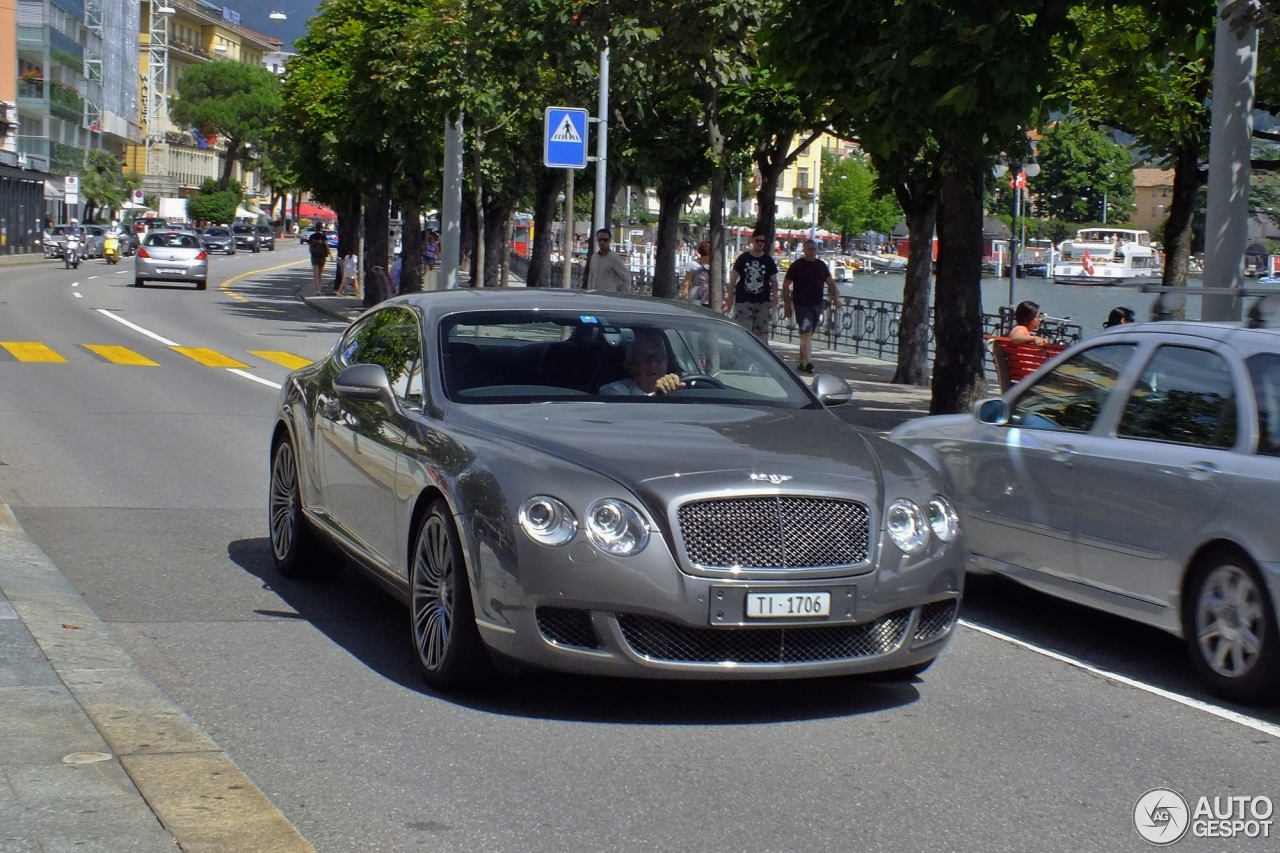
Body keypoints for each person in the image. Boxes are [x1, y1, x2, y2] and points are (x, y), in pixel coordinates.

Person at [783, 239, 843, 373]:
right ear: (804, 250)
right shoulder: (797, 265)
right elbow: (786, 284)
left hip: (817, 304)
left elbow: (831, 283)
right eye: (809, 249)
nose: (811, 252)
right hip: (801, 304)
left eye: (814, 249)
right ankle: (808, 362)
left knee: (808, 334)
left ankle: (801, 361)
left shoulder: (821, 266)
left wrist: (836, 298)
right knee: (806, 332)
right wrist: (787, 304)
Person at [726, 229, 779, 342]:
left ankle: (755, 353)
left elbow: (774, 281)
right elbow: (733, 280)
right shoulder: (743, 258)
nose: (760, 243)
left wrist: (775, 295)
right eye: (757, 240)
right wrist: (729, 298)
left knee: (760, 330)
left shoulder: (768, 260)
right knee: (744, 330)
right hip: (744, 300)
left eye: (762, 241)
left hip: (762, 300)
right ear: (752, 241)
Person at [599, 329, 686, 396]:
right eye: (645, 358)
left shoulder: (682, 386)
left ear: (667, 361)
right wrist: (659, 394)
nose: (653, 364)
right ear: (630, 366)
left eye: (659, 357)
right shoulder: (614, 390)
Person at [585, 228, 631, 292]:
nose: (602, 242)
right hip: (595, 296)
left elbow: (626, 277)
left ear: (609, 241)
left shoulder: (614, 258)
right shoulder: (594, 257)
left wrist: (620, 293)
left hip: (609, 297)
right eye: (600, 240)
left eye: (605, 240)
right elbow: (591, 277)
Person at [681, 241, 711, 306]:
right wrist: (683, 300)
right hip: (696, 297)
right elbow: (687, 283)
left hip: (710, 298)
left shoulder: (715, 267)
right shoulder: (693, 265)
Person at [307, 225, 330, 290]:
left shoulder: (312, 236)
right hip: (322, 256)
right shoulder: (323, 236)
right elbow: (326, 246)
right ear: (321, 228)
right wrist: (330, 254)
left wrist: (312, 252)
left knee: (315, 274)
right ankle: (319, 287)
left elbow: (310, 247)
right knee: (320, 273)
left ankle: (316, 289)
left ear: (315, 228)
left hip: (314, 256)